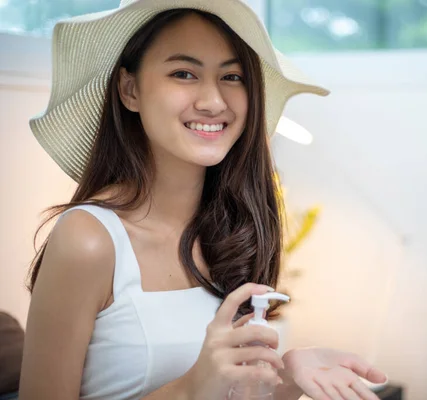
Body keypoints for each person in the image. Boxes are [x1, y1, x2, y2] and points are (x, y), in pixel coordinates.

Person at [18, 1, 388, 399]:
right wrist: (190, 387)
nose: (213, 101)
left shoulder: (236, 230)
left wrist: (289, 375)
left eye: (232, 76)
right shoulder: (88, 239)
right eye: (183, 73)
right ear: (130, 89)